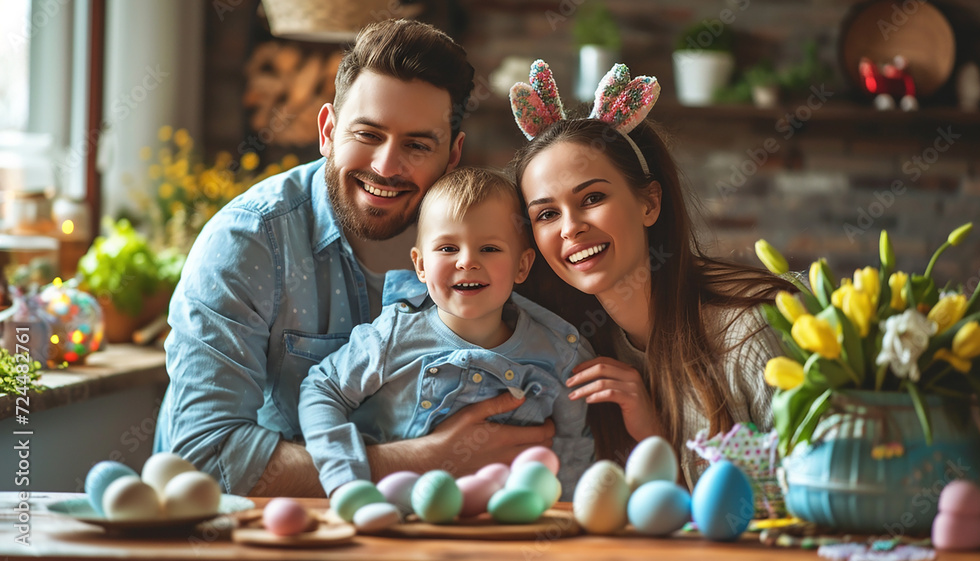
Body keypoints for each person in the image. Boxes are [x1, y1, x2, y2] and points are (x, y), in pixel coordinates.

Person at [153, 21, 556, 498]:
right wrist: (427, 462)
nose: (386, 167)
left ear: (452, 156)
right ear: (328, 130)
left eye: (417, 145)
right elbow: (203, 457)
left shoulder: (495, 239)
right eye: (368, 134)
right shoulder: (248, 242)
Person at [509, 61, 794, 488]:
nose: (570, 228)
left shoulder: (750, 332)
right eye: (547, 213)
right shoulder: (569, 349)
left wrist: (657, 440)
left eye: (592, 197)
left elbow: (815, 499)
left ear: (649, 203)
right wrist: (653, 436)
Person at [299, 168, 594, 497]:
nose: (467, 261)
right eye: (448, 248)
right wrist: (345, 481)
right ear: (421, 265)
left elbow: (573, 449)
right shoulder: (390, 338)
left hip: (507, 530)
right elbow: (321, 391)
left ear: (522, 266)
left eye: (490, 249)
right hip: (397, 516)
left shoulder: (560, 353)